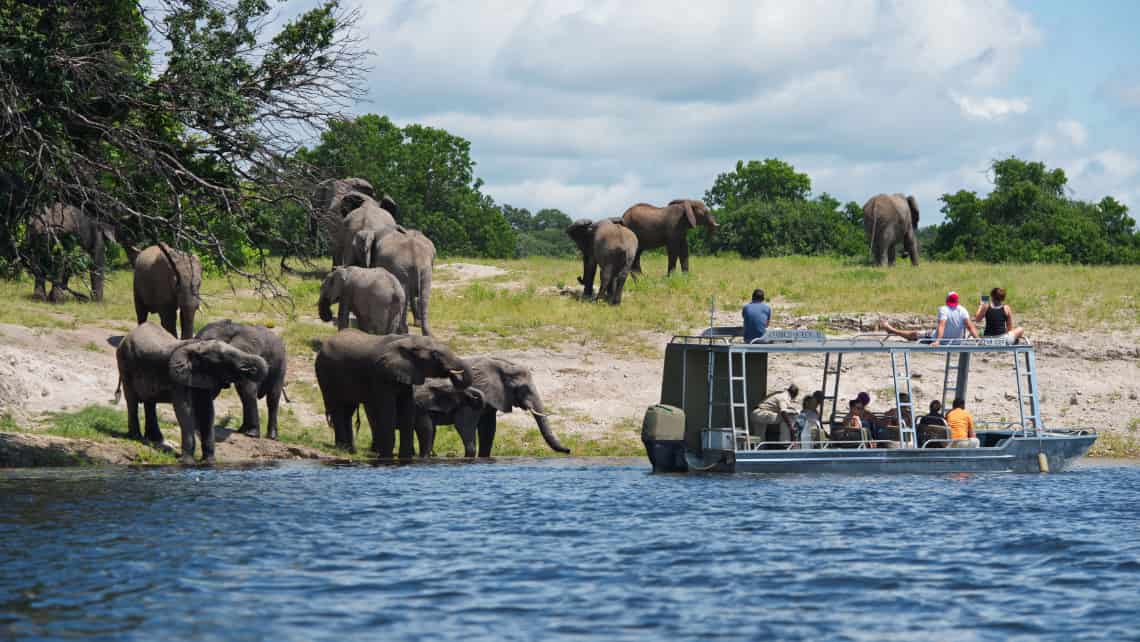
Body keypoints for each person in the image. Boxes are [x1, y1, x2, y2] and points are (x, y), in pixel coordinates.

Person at [879, 292, 979, 346]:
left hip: (940, 339)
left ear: (947, 300)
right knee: (923, 333)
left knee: (914, 334)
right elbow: (970, 327)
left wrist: (937, 341)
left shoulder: (944, 309)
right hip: (957, 341)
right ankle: (891, 330)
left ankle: (891, 330)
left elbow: (942, 325)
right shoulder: (963, 310)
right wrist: (978, 340)